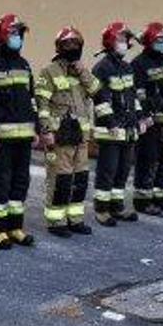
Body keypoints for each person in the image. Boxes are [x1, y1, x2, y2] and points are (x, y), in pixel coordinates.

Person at [0, 14, 43, 249]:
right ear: (3, 36)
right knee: (0, 183)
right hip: (1, 139)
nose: (18, 38)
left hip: (24, 137)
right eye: (13, 33)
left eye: (19, 34)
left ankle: (15, 227)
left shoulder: (24, 65)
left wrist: (36, 128)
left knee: (20, 182)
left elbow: (31, 100)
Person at [36, 26, 96, 237]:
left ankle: (75, 219)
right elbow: (41, 104)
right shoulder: (49, 72)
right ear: (59, 47)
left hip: (81, 137)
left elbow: (97, 92)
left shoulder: (82, 71)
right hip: (59, 137)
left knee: (79, 179)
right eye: (67, 44)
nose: (72, 47)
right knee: (60, 180)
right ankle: (56, 221)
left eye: (75, 44)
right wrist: (45, 131)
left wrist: (83, 72)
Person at [91, 22, 145, 226]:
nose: (125, 44)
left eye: (126, 40)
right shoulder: (102, 68)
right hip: (110, 131)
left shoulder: (126, 67)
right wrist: (111, 123)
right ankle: (102, 210)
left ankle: (117, 206)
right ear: (110, 42)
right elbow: (101, 101)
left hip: (128, 129)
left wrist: (140, 117)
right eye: (121, 40)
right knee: (107, 171)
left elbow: (132, 97)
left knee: (122, 171)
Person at [131, 21, 163, 215]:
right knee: (147, 160)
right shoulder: (139, 64)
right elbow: (138, 93)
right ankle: (142, 201)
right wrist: (145, 114)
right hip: (150, 123)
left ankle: (158, 196)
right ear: (150, 41)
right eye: (160, 41)